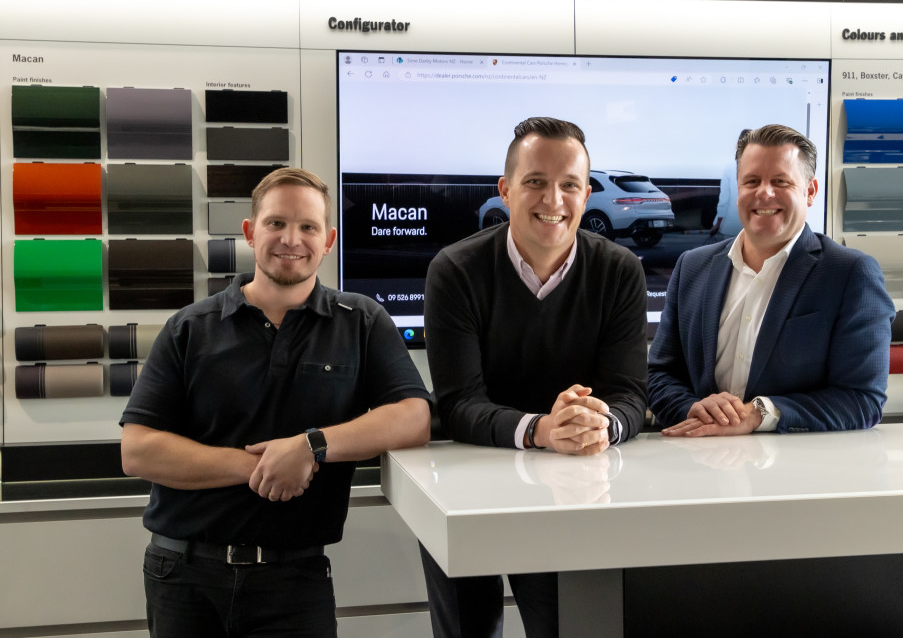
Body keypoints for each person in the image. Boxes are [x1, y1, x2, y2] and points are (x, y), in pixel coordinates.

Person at [120, 167, 431, 637]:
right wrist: (263, 466)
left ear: (327, 241)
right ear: (250, 232)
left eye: (307, 227)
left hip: (294, 579)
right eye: (276, 223)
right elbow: (138, 450)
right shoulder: (190, 327)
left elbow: (413, 418)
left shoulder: (361, 321)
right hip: (182, 574)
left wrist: (310, 446)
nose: (291, 239)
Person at [419, 117, 648, 637]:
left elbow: (630, 395)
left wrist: (599, 424)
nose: (554, 199)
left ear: (586, 194)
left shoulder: (619, 271)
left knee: (564, 626)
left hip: (572, 492)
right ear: (505, 190)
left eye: (569, 184)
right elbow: (458, 403)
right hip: (467, 485)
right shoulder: (455, 270)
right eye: (536, 182)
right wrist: (543, 429)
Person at [649, 124, 895, 436]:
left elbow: (862, 400)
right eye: (751, 181)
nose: (764, 192)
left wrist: (760, 413)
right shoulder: (692, 267)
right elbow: (660, 375)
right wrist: (692, 408)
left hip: (793, 463)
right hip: (698, 457)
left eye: (780, 181)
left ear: (810, 192)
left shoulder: (851, 273)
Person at [709, 128, 751, 243]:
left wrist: (717, 223)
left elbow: (724, 200)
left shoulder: (729, 168)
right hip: (752, 226)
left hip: (730, 226)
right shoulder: (760, 168)